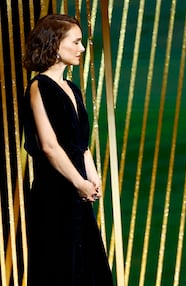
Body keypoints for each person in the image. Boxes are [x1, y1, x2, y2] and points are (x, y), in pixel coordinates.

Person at [23, 14, 113, 285]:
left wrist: (93, 178)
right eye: (75, 42)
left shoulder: (72, 88)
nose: (82, 48)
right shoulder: (39, 87)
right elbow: (50, 147)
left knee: (88, 269)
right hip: (55, 192)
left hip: (78, 191)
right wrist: (79, 182)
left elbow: (80, 144)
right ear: (54, 45)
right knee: (60, 268)